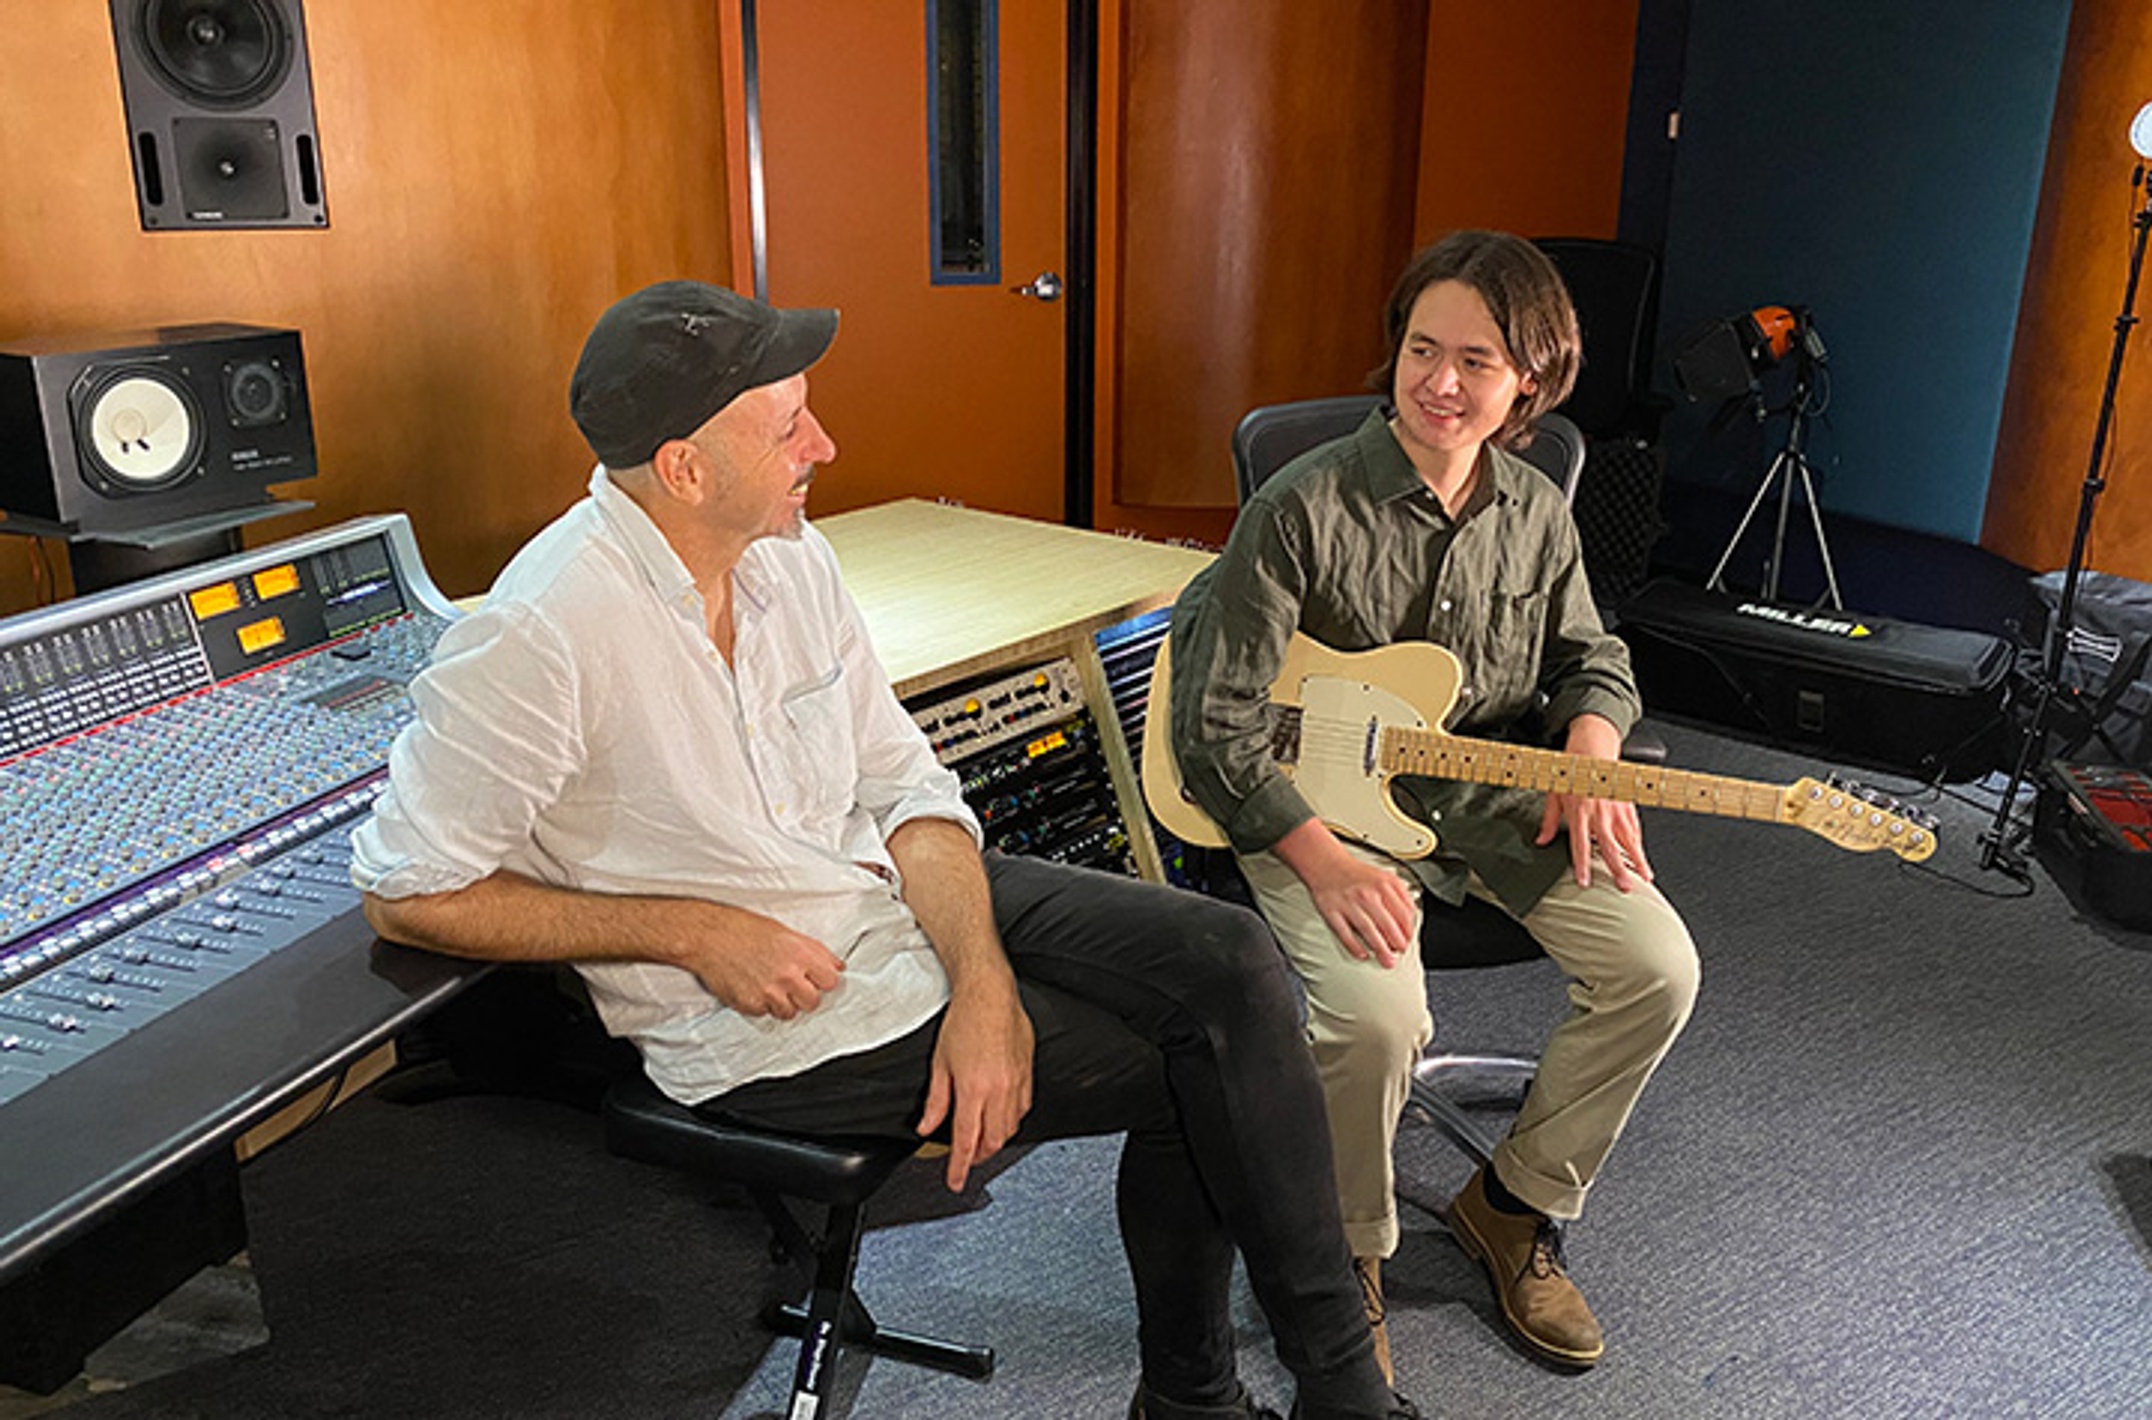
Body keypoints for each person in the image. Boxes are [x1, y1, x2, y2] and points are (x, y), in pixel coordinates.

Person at [350, 279, 1418, 1420]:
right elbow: (408, 888)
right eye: (787, 425)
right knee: (1192, 1069)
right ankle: (1217, 1400)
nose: (824, 443)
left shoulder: (788, 559)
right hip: (768, 1023)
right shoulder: (540, 630)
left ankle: (1326, 1390)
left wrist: (982, 984)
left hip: (883, 899)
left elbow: (907, 784)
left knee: (1228, 952)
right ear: (684, 469)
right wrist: (686, 928)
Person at [1166, 231, 1700, 1374]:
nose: (1441, 383)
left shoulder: (1537, 512)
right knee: (1374, 1019)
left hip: (1480, 801)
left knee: (1658, 968)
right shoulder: (1300, 507)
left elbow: (1589, 654)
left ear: (1529, 385)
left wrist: (1590, 749)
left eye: (1476, 361)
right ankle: (1344, 1252)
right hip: (1303, 806)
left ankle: (1512, 1207)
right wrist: (1320, 858)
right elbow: (1213, 724)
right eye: (1422, 349)